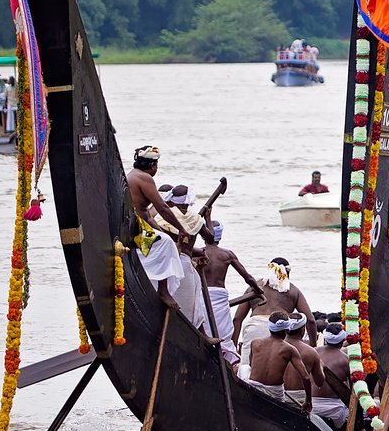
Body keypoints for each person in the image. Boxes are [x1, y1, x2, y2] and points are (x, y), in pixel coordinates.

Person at [124, 147, 217, 344]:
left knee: (166, 240)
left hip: (140, 226)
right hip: (137, 230)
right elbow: (163, 208)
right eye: (156, 165)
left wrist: (164, 231)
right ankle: (163, 291)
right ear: (152, 165)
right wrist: (181, 229)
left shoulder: (133, 174)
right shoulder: (144, 178)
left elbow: (149, 215)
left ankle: (160, 287)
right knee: (166, 244)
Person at [195, 220, 261, 368]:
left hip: (202, 295)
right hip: (217, 297)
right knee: (223, 335)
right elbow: (248, 278)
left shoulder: (197, 253)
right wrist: (258, 289)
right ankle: (226, 362)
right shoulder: (227, 255)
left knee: (203, 327)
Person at [233, 256, 317, 348]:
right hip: (280, 330)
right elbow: (310, 320)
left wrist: (233, 347)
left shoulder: (254, 287)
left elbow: (237, 319)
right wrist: (314, 347)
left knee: (250, 361)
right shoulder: (293, 290)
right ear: (287, 272)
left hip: (254, 329)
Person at [245, 315, 316, 411]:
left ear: (270, 328)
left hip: (253, 386)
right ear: (287, 330)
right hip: (275, 393)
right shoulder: (289, 349)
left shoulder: (255, 342)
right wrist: (308, 400)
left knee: (243, 368)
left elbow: (250, 365)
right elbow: (306, 377)